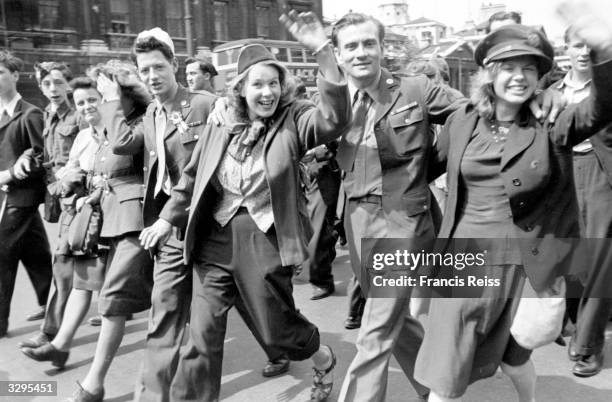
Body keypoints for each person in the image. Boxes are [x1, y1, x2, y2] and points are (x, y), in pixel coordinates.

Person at [140, 10, 349, 402]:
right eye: (258, 85)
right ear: (241, 89)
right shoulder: (221, 121)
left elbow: (334, 119)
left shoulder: (295, 119)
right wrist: (169, 219)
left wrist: (323, 51)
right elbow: (192, 176)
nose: (266, 92)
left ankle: (321, 356)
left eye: (273, 83)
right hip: (214, 241)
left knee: (277, 332)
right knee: (201, 336)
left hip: (264, 239)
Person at [414, 10, 612, 401]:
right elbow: (421, 169)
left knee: (514, 356)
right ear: (488, 73)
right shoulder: (462, 121)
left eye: (530, 69)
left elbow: (600, 109)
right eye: (509, 67)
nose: (519, 76)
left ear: (540, 79)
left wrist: (604, 51)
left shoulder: (551, 121)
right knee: (448, 366)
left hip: (526, 263)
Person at [103, 27, 216, 402]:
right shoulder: (151, 113)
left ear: (174, 65)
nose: (152, 77)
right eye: (144, 70)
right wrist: (111, 98)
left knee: (271, 325)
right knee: (164, 317)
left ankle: (317, 354)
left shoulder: (205, 104)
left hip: (215, 231)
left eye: (158, 67)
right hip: (171, 234)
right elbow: (120, 144)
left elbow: (201, 171)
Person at [555, 25, 612, 378]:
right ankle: (573, 322)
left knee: (601, 259)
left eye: (590, 47)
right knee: (569, 258)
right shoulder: (548, 92)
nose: (583, 52)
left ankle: (588, 346)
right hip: (561, 176)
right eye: (577, 45)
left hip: (600, 175)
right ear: (567, 49)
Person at [19, 62, 81, 348]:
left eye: (58, 82)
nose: (53, 89)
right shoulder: (47, 114)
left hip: (80, 199)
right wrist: (26, 156)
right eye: (47, 84)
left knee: (63, 264)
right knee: (74, 265)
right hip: (61, 200)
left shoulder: (79, 114)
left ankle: (51, 334)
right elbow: (44, 153)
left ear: (68, 84)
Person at [0, 50, 51, 338]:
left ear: (15, 76)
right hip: (6, 196)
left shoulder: (30, 114)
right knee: (34, 251)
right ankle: (51, 302)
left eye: (0, 73)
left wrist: (12, 172)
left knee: (1, 253)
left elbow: (44, 155)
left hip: (21, 197)